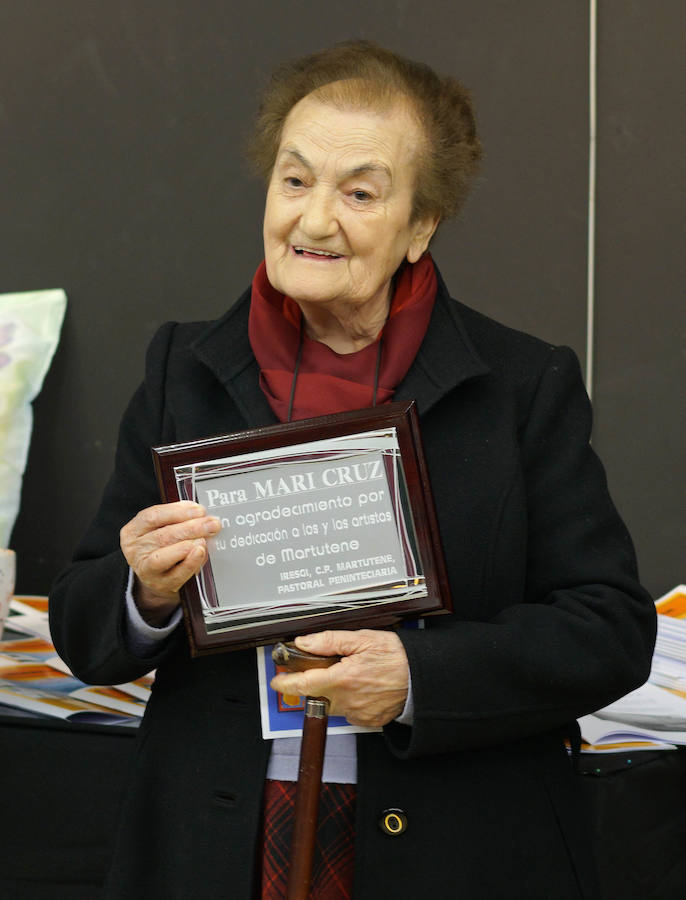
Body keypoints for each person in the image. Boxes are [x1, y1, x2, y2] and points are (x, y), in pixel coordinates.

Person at [49, 40, 655, 900]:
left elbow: (609, 629)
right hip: (216, 839)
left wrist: (419, 679)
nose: (314, 219)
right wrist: (143, 593)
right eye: (294, 181)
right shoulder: (183, 367)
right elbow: (81, 622)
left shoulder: (521, 384)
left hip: (454, 847)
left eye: (360, 192)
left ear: (421, 224)